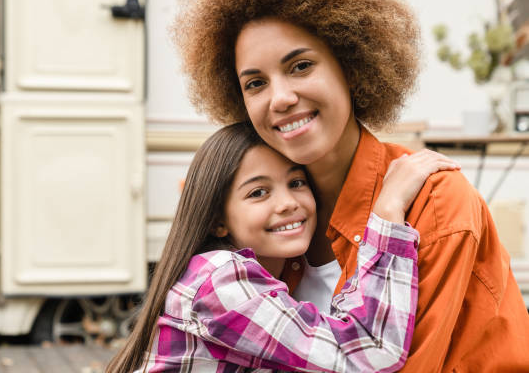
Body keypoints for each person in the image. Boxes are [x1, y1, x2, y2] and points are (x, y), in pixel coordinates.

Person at [170, 0, 529, 371]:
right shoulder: (276, 223)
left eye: (301, 66)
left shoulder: (435, 200)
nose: (281, 98)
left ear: (350, 66)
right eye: (255, 83)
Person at [107, 122, 458, 372]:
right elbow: (371, 353)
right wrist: (387, 214)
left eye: (296, 181)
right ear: (218, 221)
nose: (288, 202)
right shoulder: (220, 280)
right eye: (259, 192)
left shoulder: (264, 276)